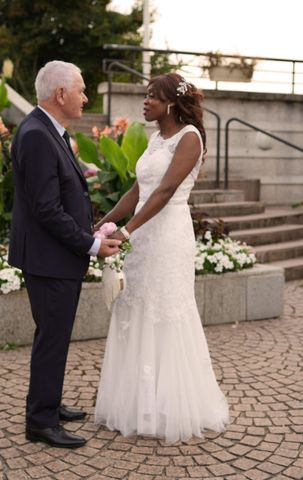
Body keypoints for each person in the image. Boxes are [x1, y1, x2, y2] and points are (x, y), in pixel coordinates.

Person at [94, 73, 230, 443]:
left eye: (152, 96)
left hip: (167, 236)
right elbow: (138, 190)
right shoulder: (157, 138)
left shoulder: (189, 137)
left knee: (164, 310)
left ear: (171, 102)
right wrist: (105, 223)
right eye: (145, 95)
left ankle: (171, 406)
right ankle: (140, 403)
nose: (145, 102)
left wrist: (127, 231)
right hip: (143, 236)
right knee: (135, 307)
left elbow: (167, 190)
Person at [8, 60, 121, 449]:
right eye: (82, 89)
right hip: (49, 257)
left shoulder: (48, 130)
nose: (86, 96)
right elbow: (45, 208)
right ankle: (40, 421)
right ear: (60, 94)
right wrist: (91, 243)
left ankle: (49, 406)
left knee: (54, 336)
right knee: (52, 339)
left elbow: (53, 187)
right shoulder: (38, 134)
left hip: (54, 256)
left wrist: (79, 173)